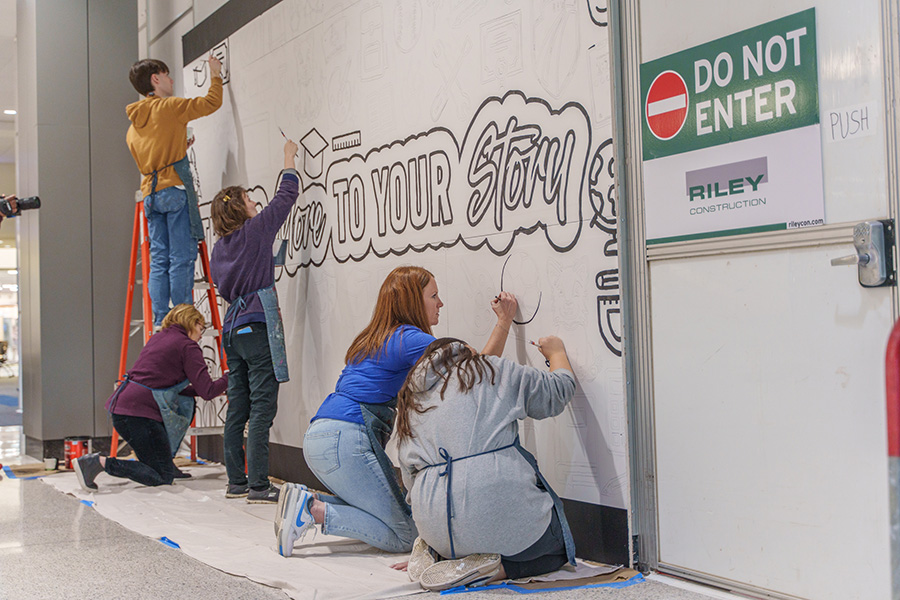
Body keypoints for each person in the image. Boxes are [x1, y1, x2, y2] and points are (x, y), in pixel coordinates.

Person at [274, 266, 518, 558]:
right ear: (413, 302)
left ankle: (307, 502)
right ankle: (313, 511)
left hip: (322, 436)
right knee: (406, 534)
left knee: (388, 512)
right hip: (346, 441)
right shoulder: (409, 339)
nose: (440, 303)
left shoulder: (373, 337)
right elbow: (478, 368)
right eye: (434, 296)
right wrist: (504, 320)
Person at [392, 335, 578, 591]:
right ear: (467, 351)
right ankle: (494, 570)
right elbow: (555, 393)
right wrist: (556, 353)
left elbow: (408, 477)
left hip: (431, 524)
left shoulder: (410, 398)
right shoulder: (488, 369)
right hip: (487, 508)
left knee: (456, 531)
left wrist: (433, 522)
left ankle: (439, 553)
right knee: (558, 545)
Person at [209, 139, 301, 504]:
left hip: (232, 331)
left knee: (239, 406)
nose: (255, 203)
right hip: (257, 326)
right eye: (249, 199)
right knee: (264, 406)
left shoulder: (220, 249)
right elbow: (285, 197)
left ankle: (236, 481)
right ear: (238, 209)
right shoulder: (256, 231)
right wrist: (288, 158)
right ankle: (260, 485)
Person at [73, 304, 228, 491]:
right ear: (191, 322)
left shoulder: (159, 338)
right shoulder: (188, 346)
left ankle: (165, 463)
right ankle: (98, 463)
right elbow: (208, 391)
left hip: (124, 409)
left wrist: (205, 388)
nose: (201, 334)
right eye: (201, 328)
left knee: (162, 458)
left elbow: (164, 385)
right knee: (161, 477)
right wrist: (231, 377)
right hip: (139, 416)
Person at [126, 55, 223, 327]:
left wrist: (178, 146)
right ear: (155, 79)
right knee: (181, 258)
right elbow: (211, 103)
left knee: (159, 260)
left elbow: (155, 156)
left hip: (150, 194)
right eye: (167, 75)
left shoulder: (133, 127)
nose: (171, 80)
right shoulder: (168, 107)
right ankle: (182, 320)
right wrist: (215, 75)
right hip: (174, 191)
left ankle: (161, 318)